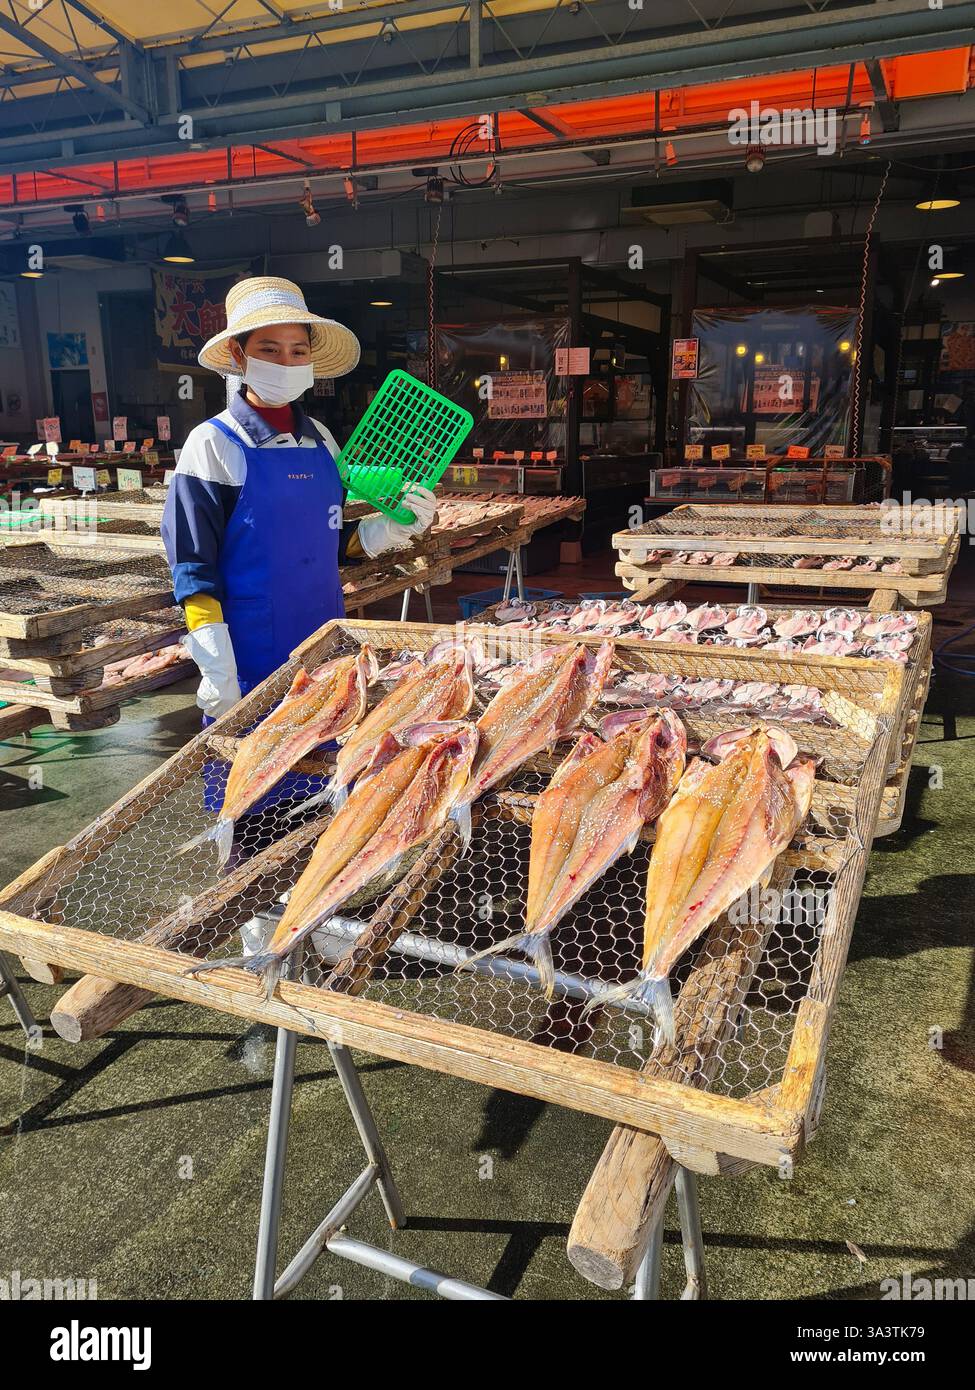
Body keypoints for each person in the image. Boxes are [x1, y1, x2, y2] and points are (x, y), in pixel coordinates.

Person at [162, 276, 436, 716]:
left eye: (298, 351)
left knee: (326, 770)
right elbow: (193, 567)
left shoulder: (323, 441)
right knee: (254, 778)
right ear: (238, 354)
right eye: (269, 349)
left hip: (327, 642)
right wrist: (217, 668)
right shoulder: (212, 444)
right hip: (251, 656)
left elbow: (326, 537)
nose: (286, 361)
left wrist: (387, 530)